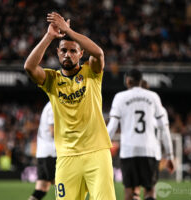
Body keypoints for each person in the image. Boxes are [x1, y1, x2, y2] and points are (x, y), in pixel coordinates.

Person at [24, 12, 115, 199]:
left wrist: (68, 31)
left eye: (73, 51)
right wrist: (49, 36)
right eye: (63, 50)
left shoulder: (92, 72)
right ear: (58, 53)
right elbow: (29, 67)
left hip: (97, 153)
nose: (68, 54)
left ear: (81, 54)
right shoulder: (52, 80)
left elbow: (98, 53)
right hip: (66, 157)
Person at [107, 69, 175, 200]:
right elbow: (164, 129)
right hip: (149, 150)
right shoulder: (153, 97)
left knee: (129, 192)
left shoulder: (120, 97)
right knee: (149, 191)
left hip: (128, 151)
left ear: (128, 80)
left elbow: (112, 127)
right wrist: (170, 155)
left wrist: (101, 148)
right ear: (141, 80)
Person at [28, 102, 56, 200]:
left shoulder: (50, 105)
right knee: (64, 185)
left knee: (41, 188)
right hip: (51, 154)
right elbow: (53, 132)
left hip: (44, 153)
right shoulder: (53, 105)